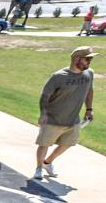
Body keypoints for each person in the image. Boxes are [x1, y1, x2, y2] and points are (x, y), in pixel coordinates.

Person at [33, 46, 96, 181]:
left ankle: (47, 163)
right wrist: (43, 113)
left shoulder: (89, 74)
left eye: (90, 60)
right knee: (44, 144)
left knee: (68, 143)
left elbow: (90, 92)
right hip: (53, 119)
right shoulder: (59, 77)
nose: (89, 62)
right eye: (87, 59)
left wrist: (89, 109)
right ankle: (38, 168)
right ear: (76, 59)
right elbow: (45, 96)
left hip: (73, 120)